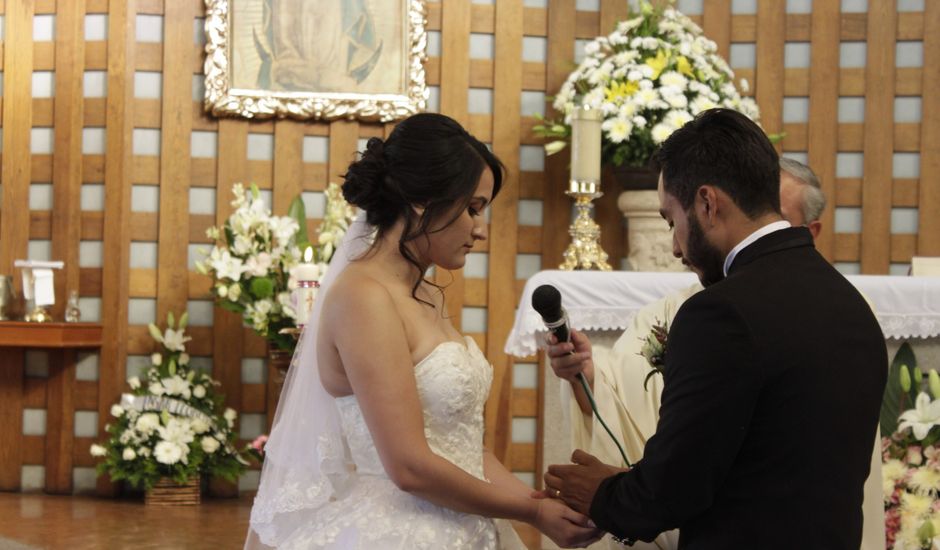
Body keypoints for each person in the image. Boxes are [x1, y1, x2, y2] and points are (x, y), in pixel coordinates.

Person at [244, 113, 602, 549]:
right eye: (472, 208)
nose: (481, 229)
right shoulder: (363, 297)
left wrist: (542, 505)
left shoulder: (425, 293)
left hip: (463, 524)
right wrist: (530, 512)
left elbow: (466, 451)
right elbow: (409, 466)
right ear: (420, 199)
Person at [542, 108, 887, 549]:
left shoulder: (721, 314)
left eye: (671, 220)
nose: (674, 246)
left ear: (707, 203)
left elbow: (672, 491)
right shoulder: (850, 303)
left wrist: (601, 494)